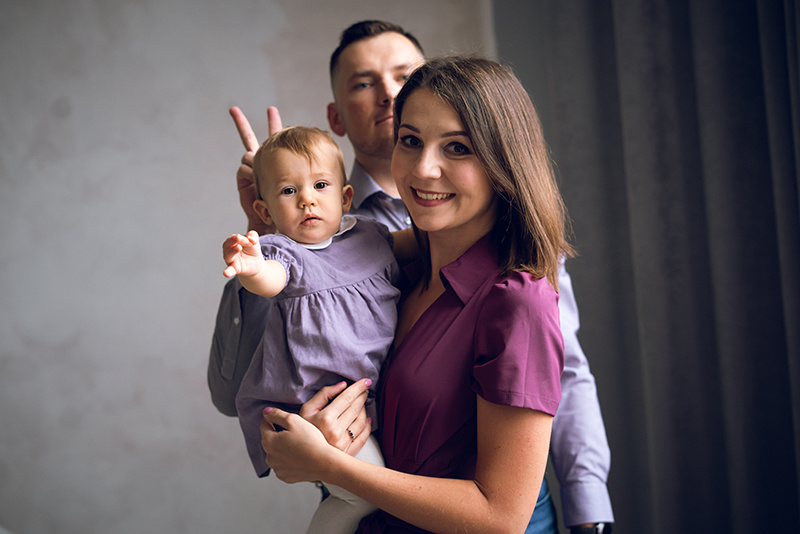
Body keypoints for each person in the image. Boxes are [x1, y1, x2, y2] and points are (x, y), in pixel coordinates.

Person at [208, 20, 614, 533]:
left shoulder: (516, 294)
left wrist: (333, 467)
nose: (423, 170)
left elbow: (503, 513)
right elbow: (275, 363)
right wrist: (274, 227)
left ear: (502, 160)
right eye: (410, 140)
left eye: (458, 147)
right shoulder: (386, 254)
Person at [222, 125, 414, 533]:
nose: (307, 198)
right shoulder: (284, 253)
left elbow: (420, 248)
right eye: (289, 191)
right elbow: (271, 279)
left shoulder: (370, 236)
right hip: (319, 403)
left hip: (369, 392)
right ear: (266, 212)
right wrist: (252, 267)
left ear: (345, 198)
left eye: (320, 185)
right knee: (359, 494)